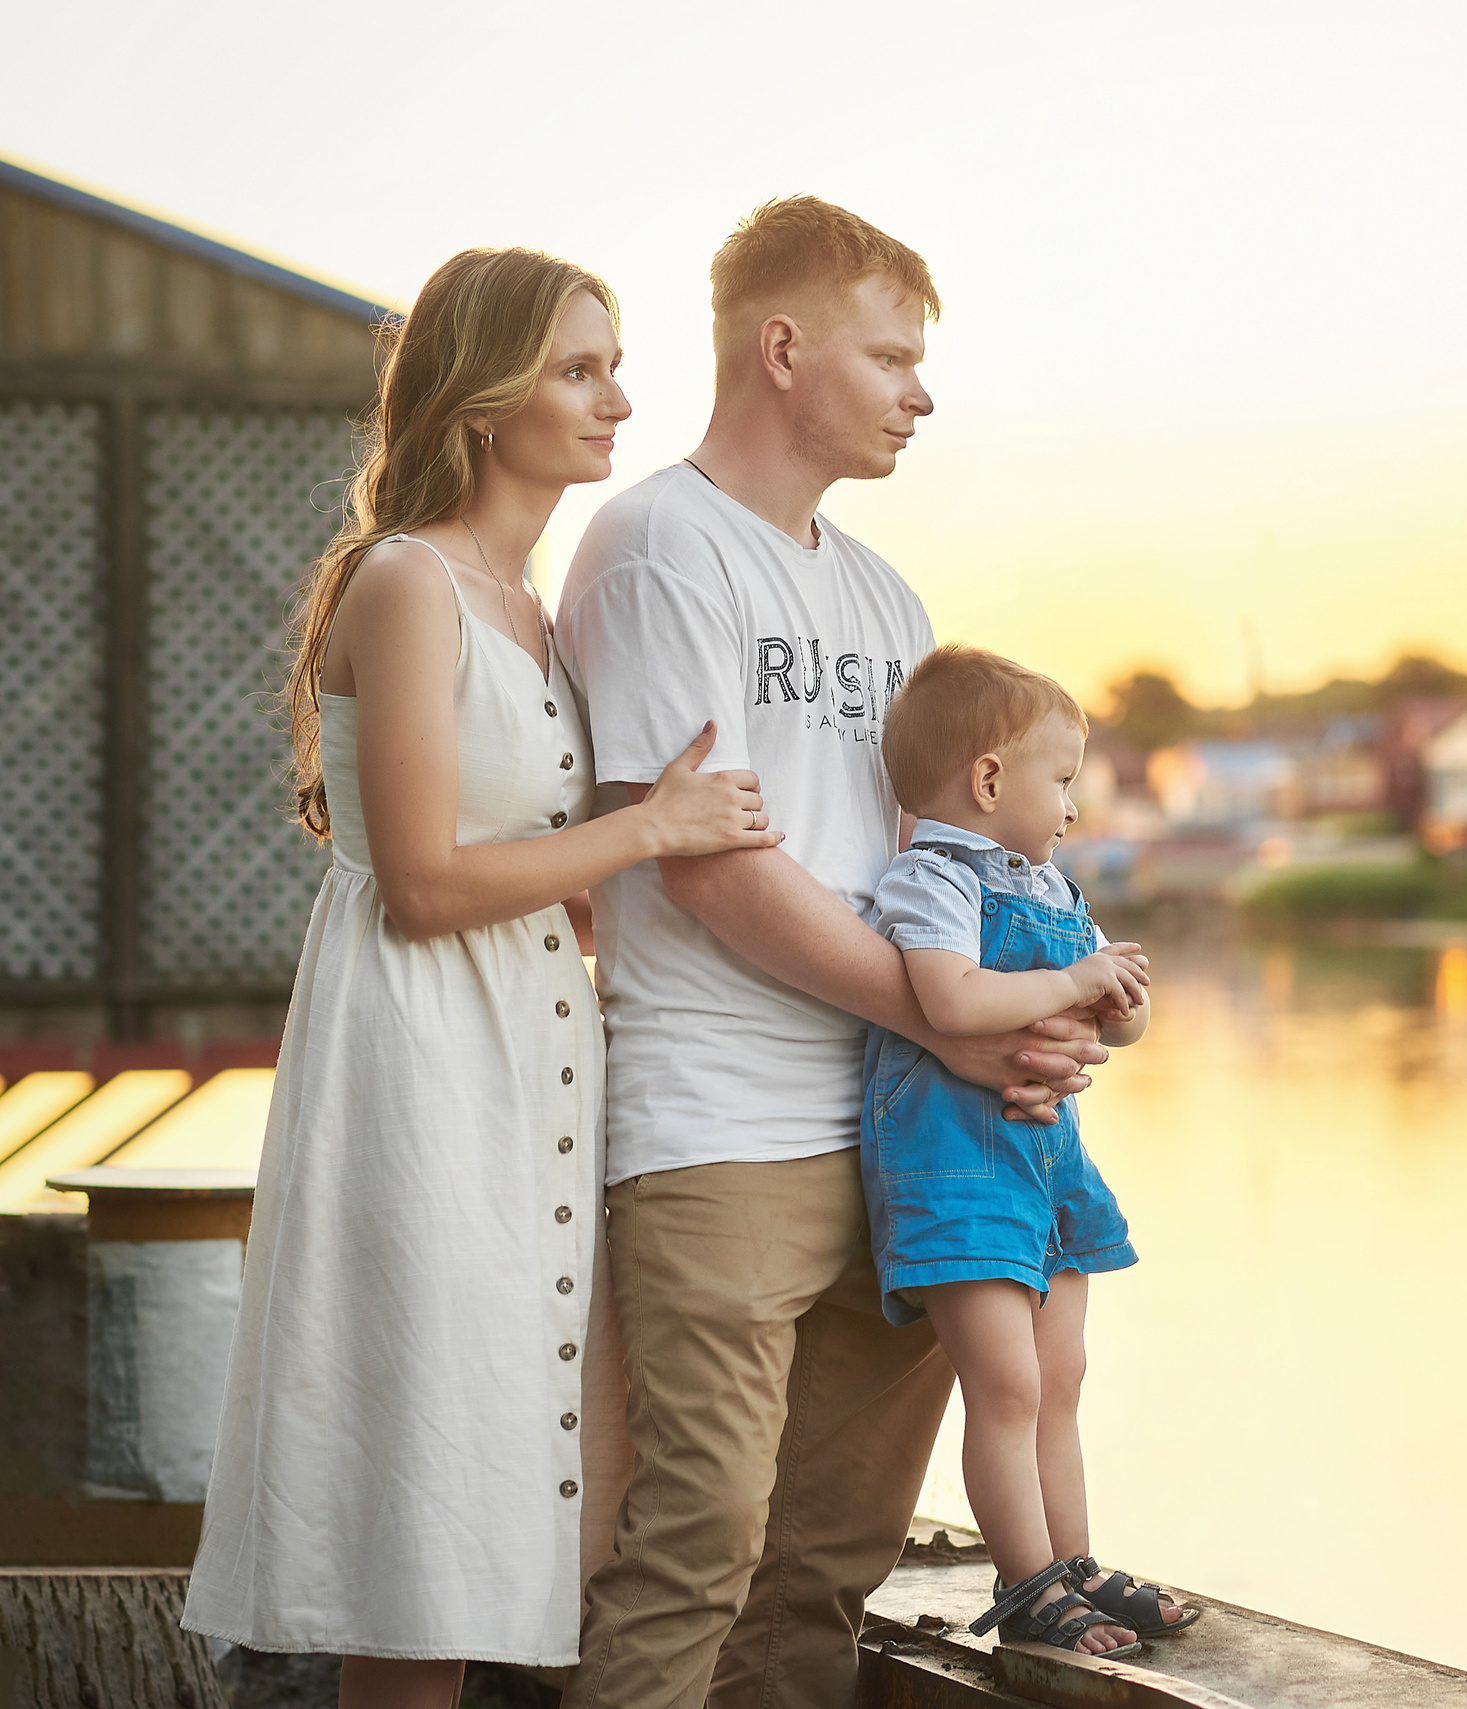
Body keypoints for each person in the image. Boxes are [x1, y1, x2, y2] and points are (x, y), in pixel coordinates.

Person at [183, 248, 777, 1709]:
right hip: (421, 1059)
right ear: (483, 393)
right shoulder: (407, 584)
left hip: (529, 1048)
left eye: (614, 362)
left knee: (543, 1473)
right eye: (579, 369)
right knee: (426, 1502)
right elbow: (429, 876)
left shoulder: (533, 603)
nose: (618, 398)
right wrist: (651, 827)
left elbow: (535, 863)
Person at [555, 198, 1110, 1709]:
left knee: (823, 1564)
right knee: (695, 1548)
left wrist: (1040, 1013)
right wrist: (952, 1026)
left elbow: (945, 865)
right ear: (781, 348)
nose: (919, 394)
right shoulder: (655, 545)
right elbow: (714, 868)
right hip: (723, 1124)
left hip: (908, 1137)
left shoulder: (887, 595)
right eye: (891, 357)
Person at [862, 644, 1201, 1656]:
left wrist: (1121, 1007)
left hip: (1047, 1165)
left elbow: (1100, 1027)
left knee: (1060, 1373)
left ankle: (1074, 1560)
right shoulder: (928, 876)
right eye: (1062, 780)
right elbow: (951, 998)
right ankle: (1026, 1582)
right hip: (953, 1166)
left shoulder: (1048, 887)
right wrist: (1070, 982)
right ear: (988, 778)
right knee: (1004, 1382)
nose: (1074, 805)